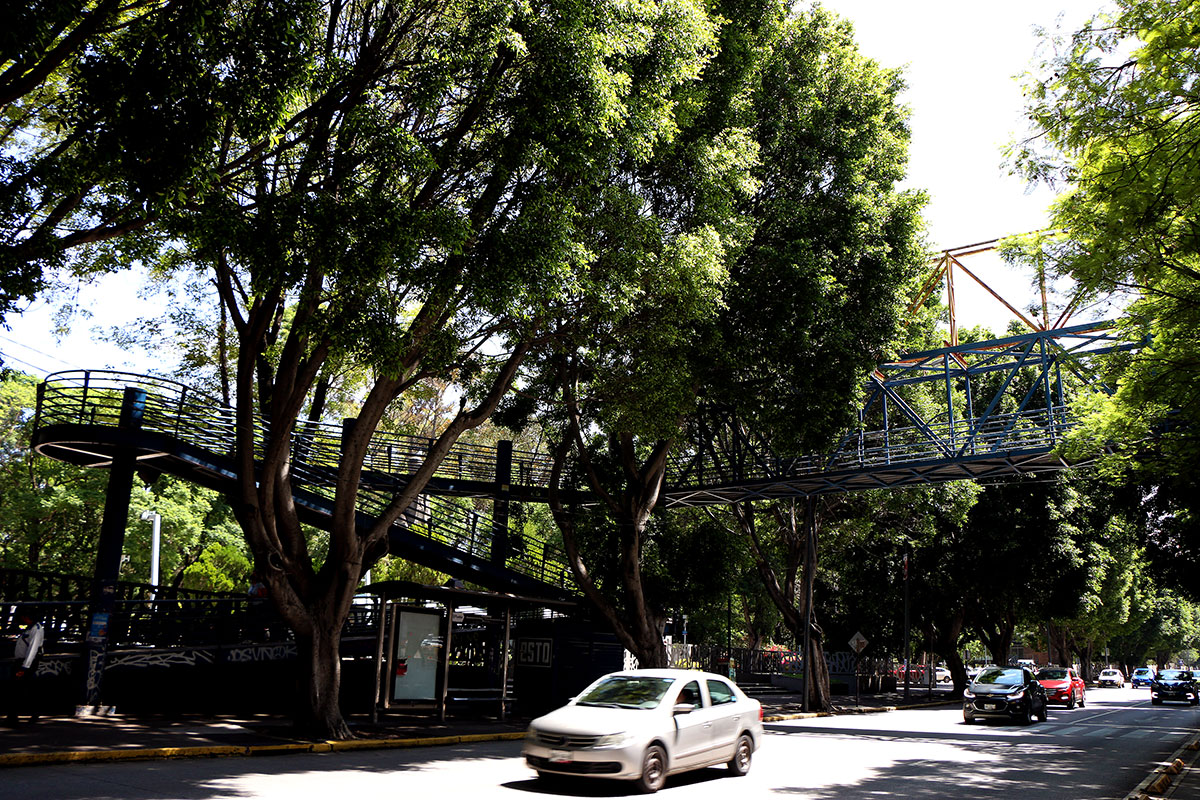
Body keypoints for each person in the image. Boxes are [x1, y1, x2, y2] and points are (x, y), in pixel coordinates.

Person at [6, 610, 44, 725]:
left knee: (19, 689)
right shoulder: (30, 628)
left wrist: (24, 667)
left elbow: (32, 649)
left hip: (26, 663)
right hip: (23, 662)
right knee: (23, 688)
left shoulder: (36, 629)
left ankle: (14, 717)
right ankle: (19, 716)